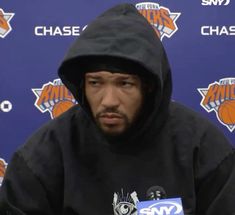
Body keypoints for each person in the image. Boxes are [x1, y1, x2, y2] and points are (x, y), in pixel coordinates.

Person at [0, 3, 235, 215]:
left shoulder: (202, 148)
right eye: (96, 83)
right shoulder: (45, 154)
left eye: (125, 84)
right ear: (82, 85)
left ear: (149, 87)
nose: (109, 100)